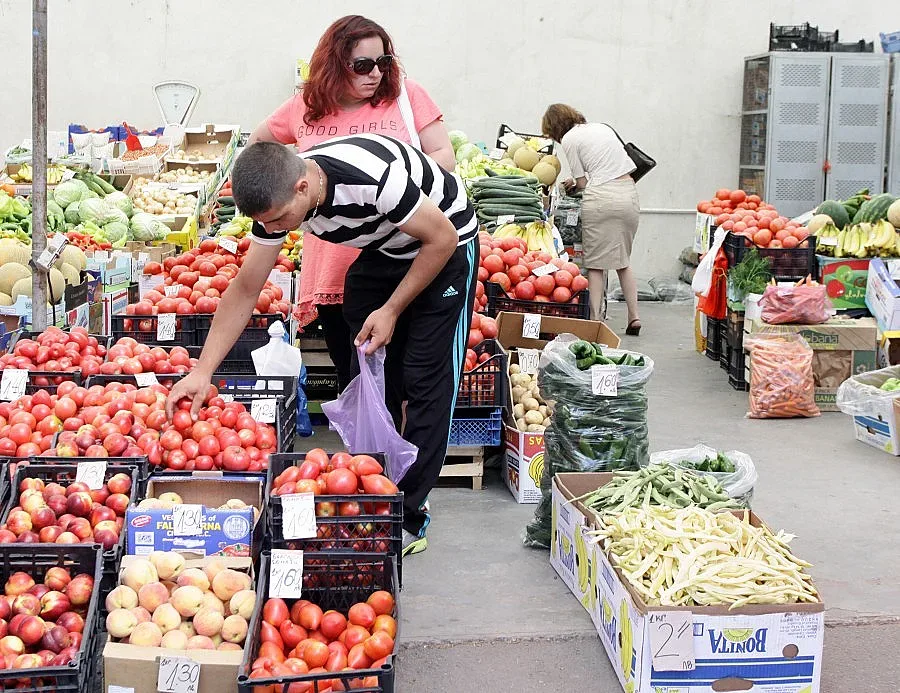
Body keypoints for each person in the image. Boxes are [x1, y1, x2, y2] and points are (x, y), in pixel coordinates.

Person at [167, 135, 478, 556]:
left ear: (302, 187)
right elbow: (244, 289)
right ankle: (373, 488)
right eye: (269, 224)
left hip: (446, 243)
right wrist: (202, 372)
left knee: (425, 379)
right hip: (386, 249)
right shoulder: (279, 203)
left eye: (280, 220)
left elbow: (439, 239)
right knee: (370, 373)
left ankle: (407, 515)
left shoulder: (371, 179)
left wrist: (390, 309)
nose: (275, 230)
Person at [249, 15, 455, 389]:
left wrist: (397, 194)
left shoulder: (407, 97)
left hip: (401, 259)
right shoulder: (304, 106)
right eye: (362, 65)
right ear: (333, 64)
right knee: (355, 379)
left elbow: (443, 157)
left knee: (404, 380)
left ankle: (399, 449)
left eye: (384, 62)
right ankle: (362, 449)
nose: (375, 73)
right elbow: (258, 148)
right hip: (332, 263)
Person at [542, 104, 642, 335]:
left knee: (596, 264)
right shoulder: (602, 128)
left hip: (601, 197)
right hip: (628, 192)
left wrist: (573, 183)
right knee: (623, 261)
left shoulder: (569, 139)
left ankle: (596, 320)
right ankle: (634, 317)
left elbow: (584, 183)